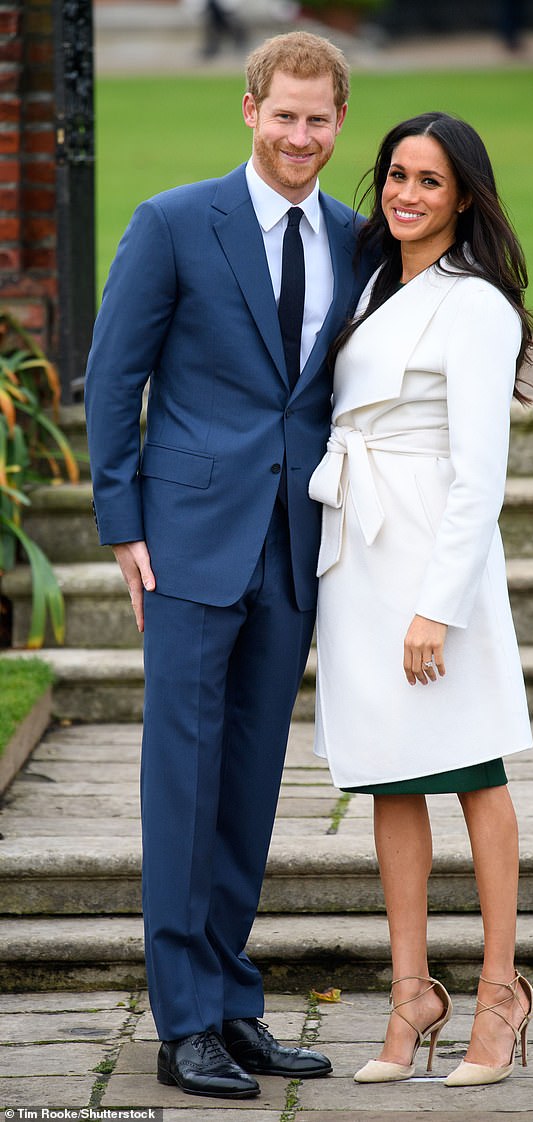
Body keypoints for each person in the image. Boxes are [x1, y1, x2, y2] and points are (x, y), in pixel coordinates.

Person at [85, 31, 375, 1101]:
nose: (300, 135)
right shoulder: (172, 223)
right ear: (249, 111)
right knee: (183, 780)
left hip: (295, 550)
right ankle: (184, 1022)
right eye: (283, 114)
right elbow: (112, 380)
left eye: (319, 118)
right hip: (187, 545)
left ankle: (230, 998)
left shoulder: (354, 238)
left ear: (339, 123)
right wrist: (124, 526)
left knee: (249, 786)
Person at [309, 111, 533, 1089]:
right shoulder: (368, 281)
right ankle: (412, 996)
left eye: (429, 182)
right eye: (396, 174)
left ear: (464, 198)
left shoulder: (475, 304)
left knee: (473, 771)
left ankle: (498, 992)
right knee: (388, 777)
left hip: (432, 565)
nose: (405, 194)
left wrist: (436, 608)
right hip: (358, 555)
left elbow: (478, 473)